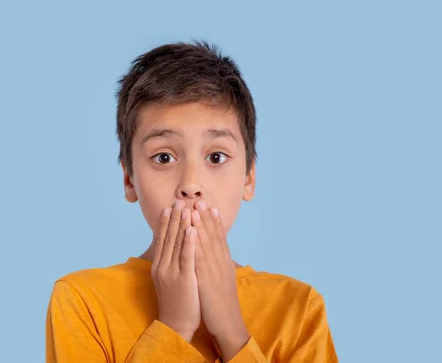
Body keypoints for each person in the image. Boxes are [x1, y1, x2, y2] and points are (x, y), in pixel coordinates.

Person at [45, 41, 339, 362]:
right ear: (130, 178)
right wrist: (174, 327)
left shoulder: (299, 310)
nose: (190, 185)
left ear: (248, 178)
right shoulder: (82, 301)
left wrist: (231, 331)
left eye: (215, 156)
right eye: (164, 157)